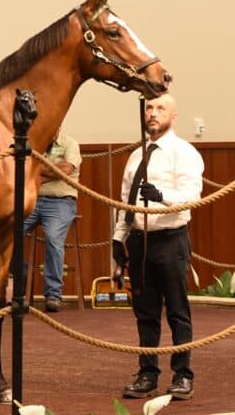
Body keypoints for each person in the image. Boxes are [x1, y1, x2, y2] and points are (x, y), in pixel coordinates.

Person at [112, 93, 204, 401]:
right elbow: (124, 201)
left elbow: (192, 194)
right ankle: (148, 374)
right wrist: (118, 239)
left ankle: (183, 375)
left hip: (170, 240)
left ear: (173, 116)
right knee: (145, 313)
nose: (153, 113)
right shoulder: (135, 156)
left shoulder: (184, 152)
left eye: (160, 108)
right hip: (140, 243)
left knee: (178, 311)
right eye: (149, 108)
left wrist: (161, 195)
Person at [24, 129, 81, 312]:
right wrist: (51, 170)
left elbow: (65, 170)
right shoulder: (35, 143)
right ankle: (19, 280)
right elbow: (23, 169)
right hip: (31, 200)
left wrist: (35, 172)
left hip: (61, 201)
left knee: (53, 239)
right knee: (7, 233)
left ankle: (53, 294)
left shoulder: (70, 144)